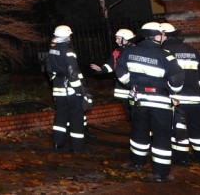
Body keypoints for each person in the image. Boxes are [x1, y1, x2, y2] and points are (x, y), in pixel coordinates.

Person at [116, 22, 185, 183]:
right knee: (161, 136)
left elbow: (120, 71)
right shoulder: (165, 55)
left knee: (139, 132)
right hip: (160, 102)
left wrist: (132, 84)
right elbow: (177, 80)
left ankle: (137, 163)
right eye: (162, 34)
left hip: (138, 100)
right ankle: (161, 173)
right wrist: (171, 91)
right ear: (156, 36)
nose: (163, 37)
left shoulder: (130, 52)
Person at [161, 22, 200, 166]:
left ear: (164, 35)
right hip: (195, 98)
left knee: (178, 129)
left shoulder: (165, 51)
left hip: (176, 98)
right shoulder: (191, 50)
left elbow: (165, 76)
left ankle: (181, 158)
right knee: (197, 128)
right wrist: (196, 90)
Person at [45, 25, 87, 153]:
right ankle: (77, 147)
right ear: (68, 36)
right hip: (70, 90)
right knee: (76, 117)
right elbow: (72, 73)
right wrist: (80, 90)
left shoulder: (52, 51)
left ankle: (58, 143)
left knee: (60, 116)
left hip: (58, 89)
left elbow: (49, 70)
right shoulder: (68, 51)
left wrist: (56, 80)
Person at [91, 28, 136, 117]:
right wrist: (101, 69)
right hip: (122, 86)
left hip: (134, 84)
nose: (116, 41)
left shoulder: (136, 50)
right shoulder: (117, 51)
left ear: (125, 39)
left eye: (118, 38)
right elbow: (111, 65)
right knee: (128, 111)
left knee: (136, 111)